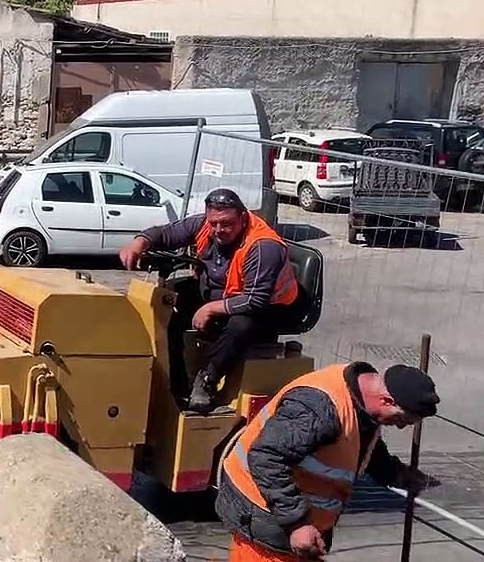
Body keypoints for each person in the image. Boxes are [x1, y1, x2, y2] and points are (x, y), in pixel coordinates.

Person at [217, 362, 439, 561]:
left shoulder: (362, 395)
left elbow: (357, 441)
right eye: (402, 419)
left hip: (292, 521)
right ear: (386, 400)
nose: (400, 426)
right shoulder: (319, 410)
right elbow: (266, 457)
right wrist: (297, 524)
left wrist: (396, 473)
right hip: (263, 515)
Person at [118, 188, 302, 413]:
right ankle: (176, 381)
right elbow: (167, 234)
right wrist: (140, 242)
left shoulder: (263, 246)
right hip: (224, 295)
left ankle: (207, 379)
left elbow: (256, 299)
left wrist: (211, 309)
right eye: (213, 223)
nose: (218, 230)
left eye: (226, 224)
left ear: (243, 218)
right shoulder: (206, 225)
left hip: (270, 309)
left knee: (240, 324)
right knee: (169, 301)